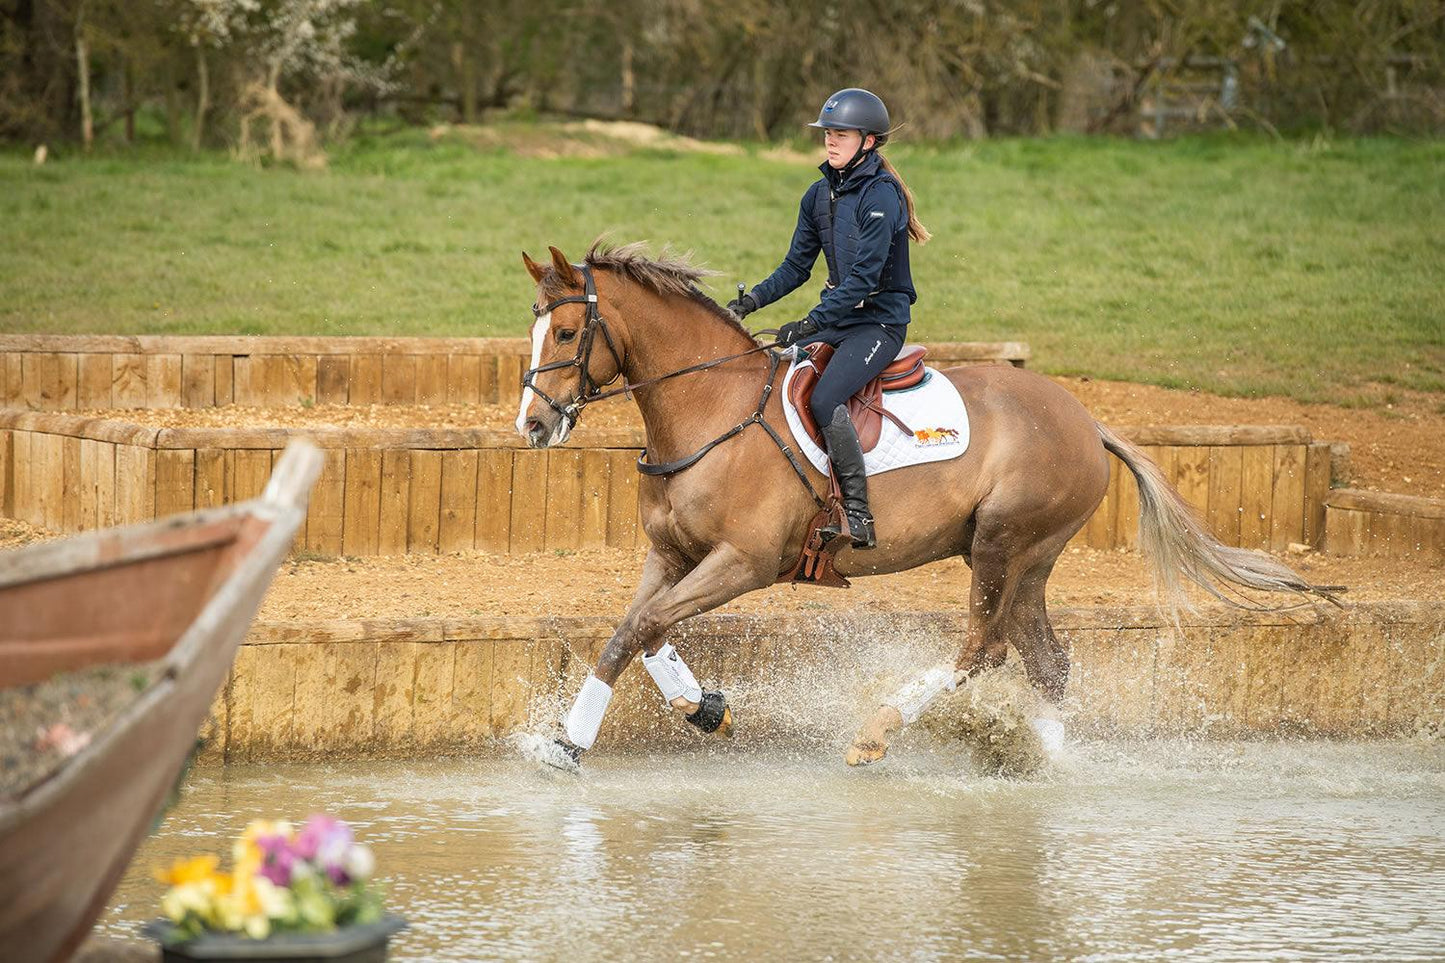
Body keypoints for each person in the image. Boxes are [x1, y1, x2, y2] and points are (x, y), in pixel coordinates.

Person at [730, 87, 930, 550]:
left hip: (879, 324)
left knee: (823, 399)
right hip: (840, 317)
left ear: (869, 142)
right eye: (828, 135)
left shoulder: (883, 197)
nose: (831, 142)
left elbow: (862, 281)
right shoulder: (818, 195)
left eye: (841, 134)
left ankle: (857, 513)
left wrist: (809, 322)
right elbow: (797, 267)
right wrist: (751, 302)